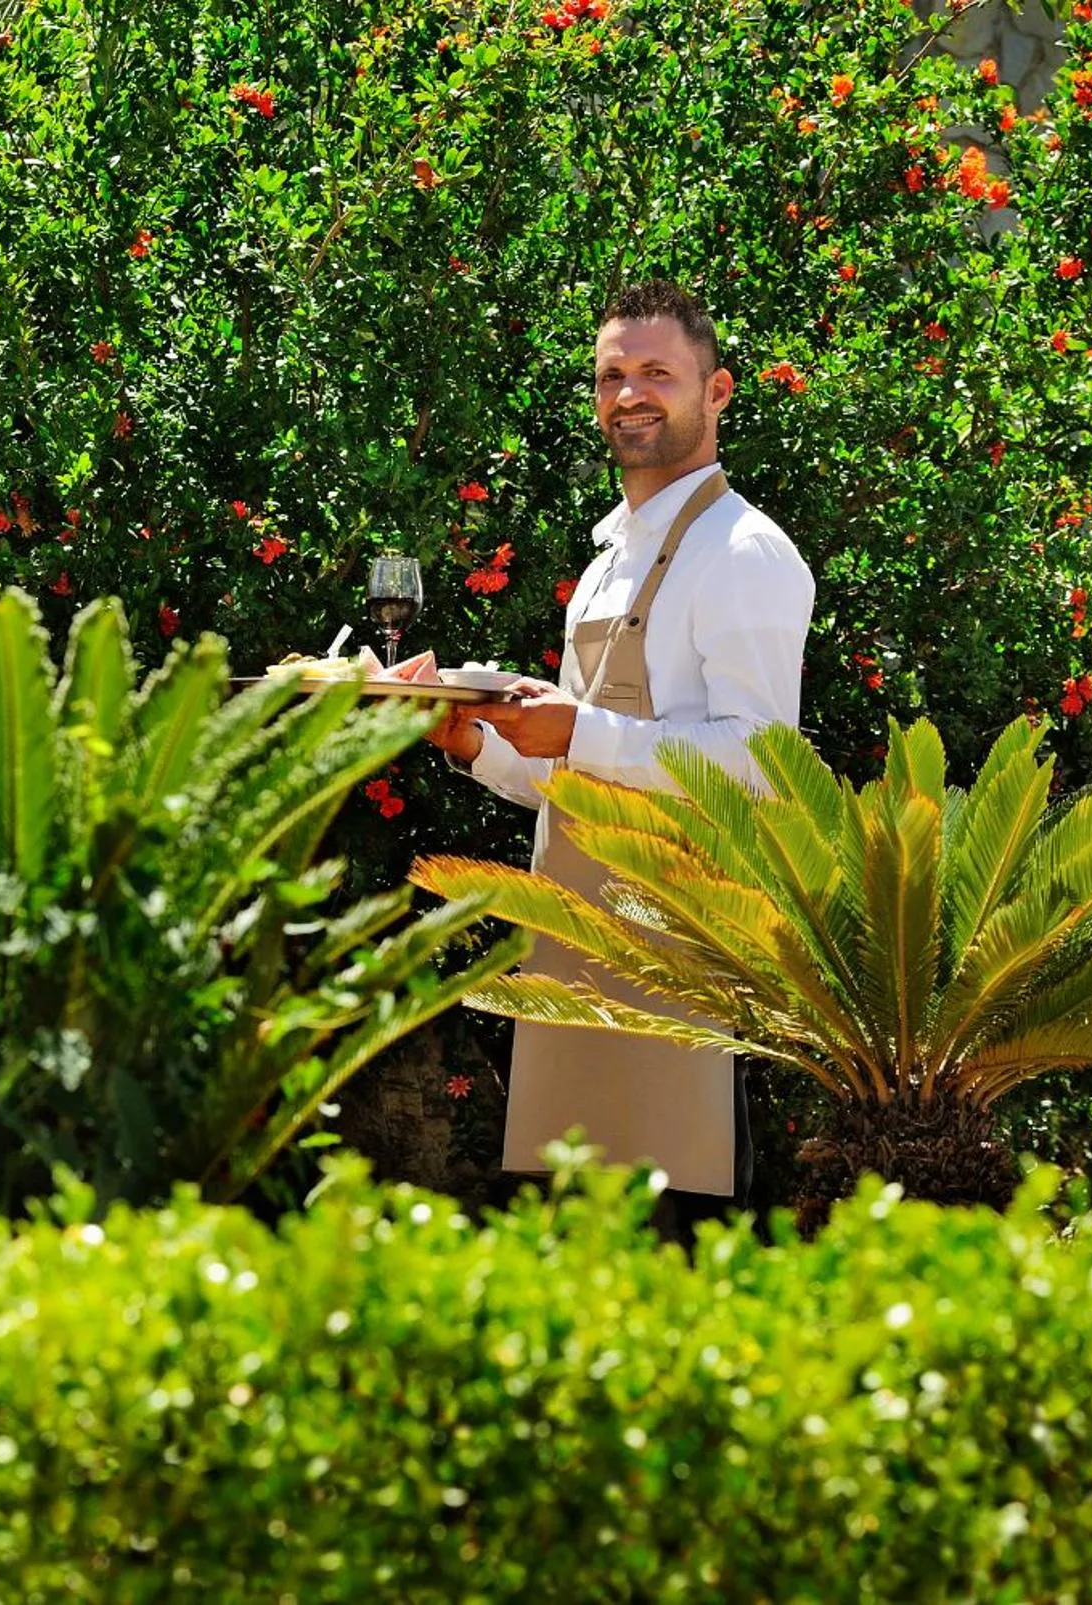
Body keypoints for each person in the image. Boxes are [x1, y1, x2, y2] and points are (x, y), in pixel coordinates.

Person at [428, 280, 814, 1242]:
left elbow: (766, 764)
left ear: (717, 391)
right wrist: (472, 741)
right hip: (575, 950)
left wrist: (582, 731)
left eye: (656, 373)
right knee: (576, 1246)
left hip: (683, 956)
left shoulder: (744, 552)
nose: (629, 394)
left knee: (674, 1238)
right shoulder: (607, 564)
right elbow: (572, 777)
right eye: (611, 376)